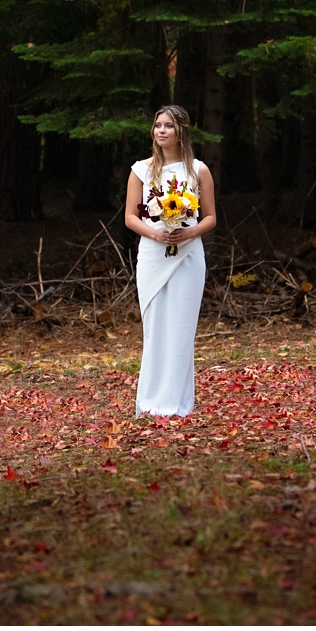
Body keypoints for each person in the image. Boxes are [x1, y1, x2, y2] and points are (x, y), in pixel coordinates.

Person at [123, 104, 218, 417]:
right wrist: (156, 234)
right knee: (155, 326)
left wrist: (187, 234)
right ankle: (150, 401)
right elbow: (130, 217)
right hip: (152, 254)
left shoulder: (198, 170)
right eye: (158, 125)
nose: (161, 131)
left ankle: (176, 402)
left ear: (181, 132)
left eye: (168, 126)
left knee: (180, 326)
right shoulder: (140, 170)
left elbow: (210, 218)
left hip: (188, 256)